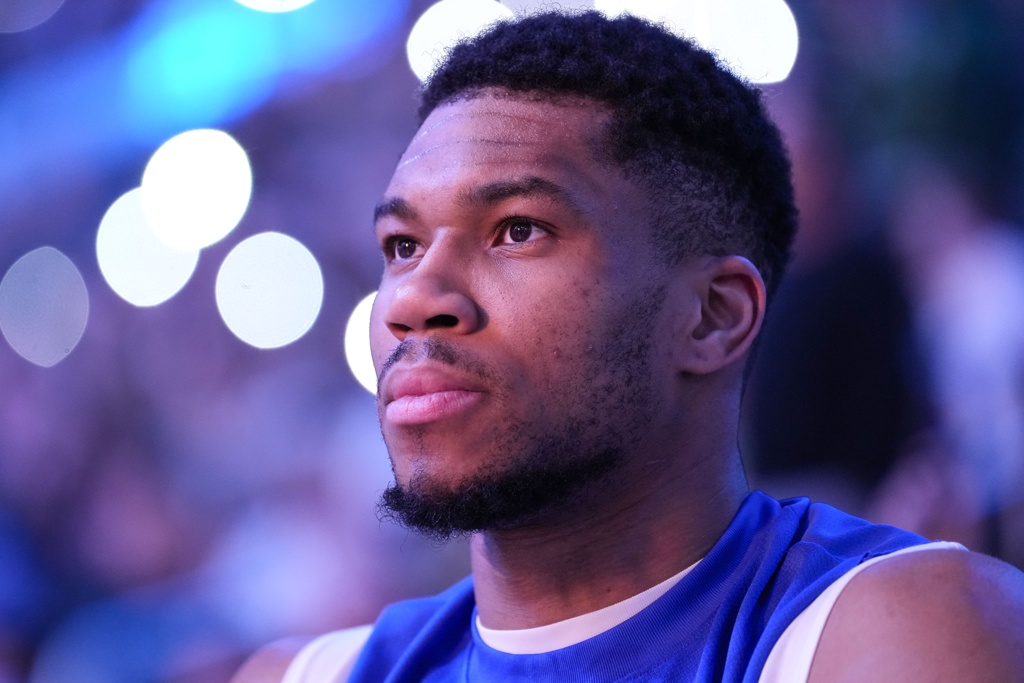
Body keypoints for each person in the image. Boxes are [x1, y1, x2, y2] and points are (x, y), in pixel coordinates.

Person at [234, 10, 1024, 682]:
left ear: (712, 316)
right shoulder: (304, 673)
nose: (413, 300)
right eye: (402, 246)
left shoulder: (895, 630)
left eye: (518, 230)